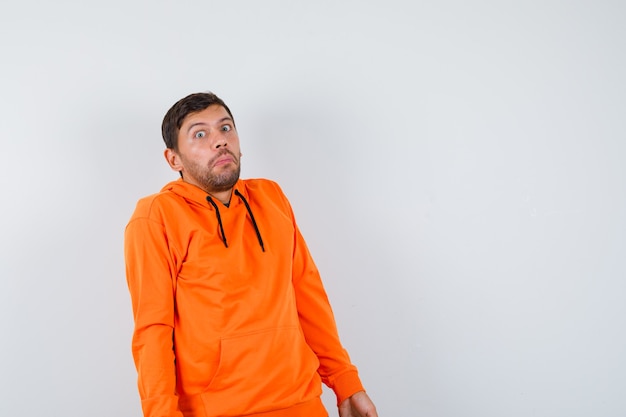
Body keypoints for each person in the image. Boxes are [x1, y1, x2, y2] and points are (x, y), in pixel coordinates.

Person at [124, 92, 378, 417]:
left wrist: (346, 382)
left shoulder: (272, 198)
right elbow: (153, 328)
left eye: (226, 128)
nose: (220, 141)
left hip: (301, 403)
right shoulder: (156, 217)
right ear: (174, 159)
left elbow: (307, 296)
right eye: (200, 134)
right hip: (215, 410)